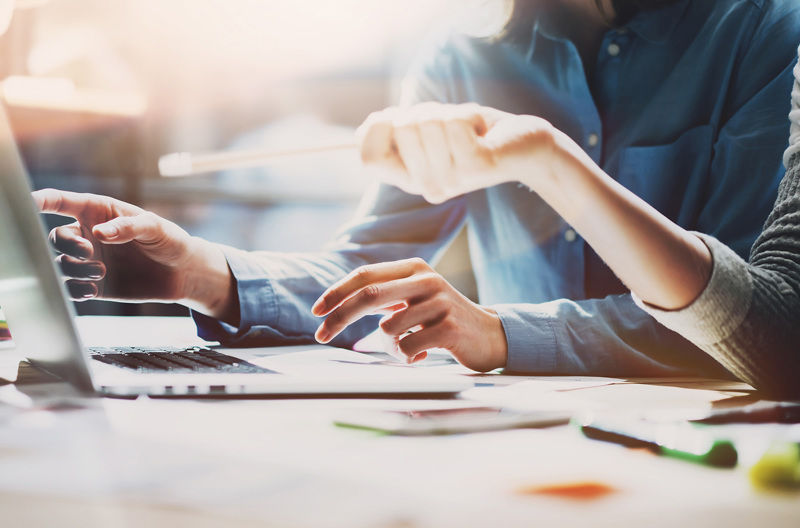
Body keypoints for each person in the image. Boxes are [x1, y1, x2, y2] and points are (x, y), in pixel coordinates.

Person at [35, 0, 800, 380]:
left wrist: (499, 332)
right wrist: (200, 273)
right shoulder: (460, 51)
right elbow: (372, 268)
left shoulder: (770, 33)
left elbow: (741, 314)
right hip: (518, 438)